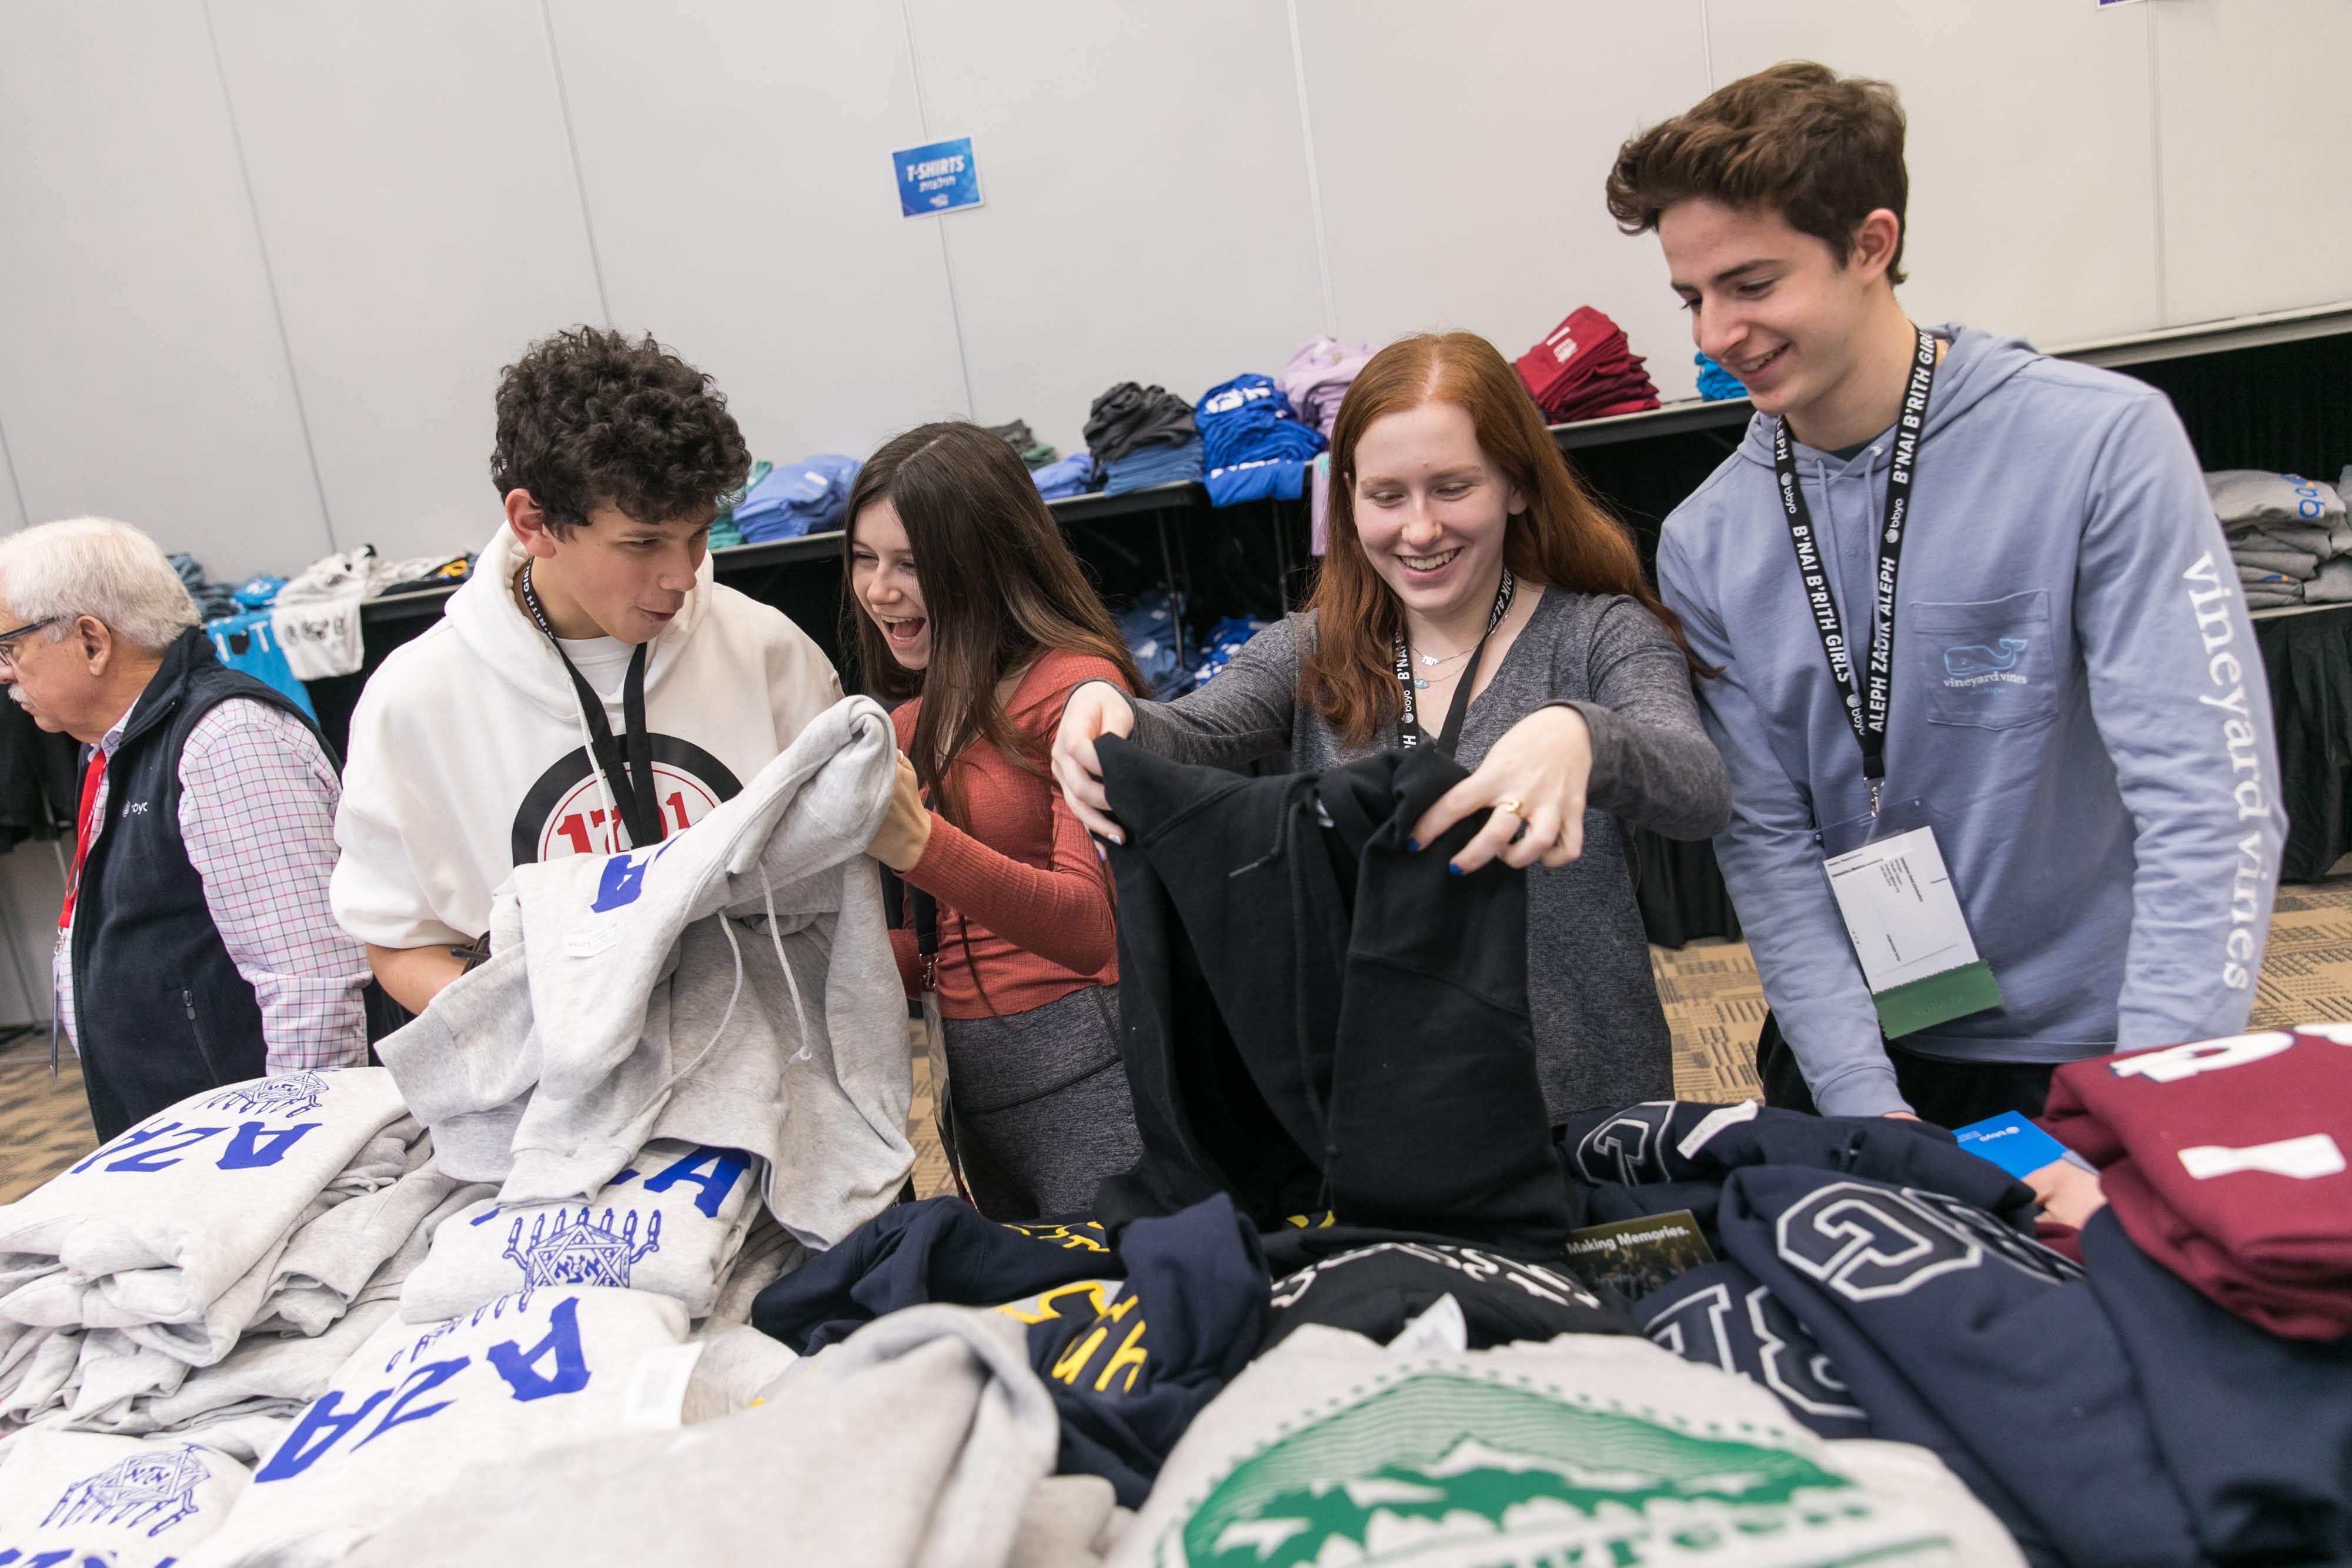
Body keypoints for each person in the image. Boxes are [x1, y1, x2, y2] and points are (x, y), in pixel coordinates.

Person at [1609, 62, 2282, 1127]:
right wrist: (1865, 1105)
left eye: (1751, 284)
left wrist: (2153, 1103)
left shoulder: (2098, 444)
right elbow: (1770, 851)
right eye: (1693, 297)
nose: (1714, 335)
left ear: (1870, 245)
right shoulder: (1708, 539)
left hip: (2102, 1048)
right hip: (1854, 1048)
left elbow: (2208, 804)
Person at [1053, 332, 1730, 1124]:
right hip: (1386, 1105)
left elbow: (1698, 787)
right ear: (1346, 497)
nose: (1419, 529)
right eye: (1386, 496)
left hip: (1582, 1098)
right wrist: (1104, 702)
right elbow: (1190, 728)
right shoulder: (1314, 650)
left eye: (1452, 488)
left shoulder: (1596, 636)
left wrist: (1584, 737)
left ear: (1516, 482)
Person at [333, 327, 841, 1014]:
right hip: (551, 1080)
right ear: (533, 523)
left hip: (770, 1068)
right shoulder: (415, 703)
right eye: (642, 543)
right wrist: (542, 1033)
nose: (681, 575)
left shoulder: (768, 653)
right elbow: (400, 942)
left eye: (697, 534)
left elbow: (839, 897)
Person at [850, 422, 1146, 1219]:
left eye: (911, 564)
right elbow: (937, 951)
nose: (879, 590)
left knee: (1124, 1288)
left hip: (1090, 1070)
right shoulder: (911, 724)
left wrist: (922, 845)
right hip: (971, 1088)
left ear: (984, 561)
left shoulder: (1078, 689)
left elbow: (1090, 929)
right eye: (865, 559)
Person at [0, 517, 374, 1140]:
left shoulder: (227, 741)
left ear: (91, 641)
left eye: (9, 649)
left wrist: (289, 1151)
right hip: (191, 1139)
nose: (4, 674)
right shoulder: (112, 745)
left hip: (255, 1148)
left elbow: (311, 985)